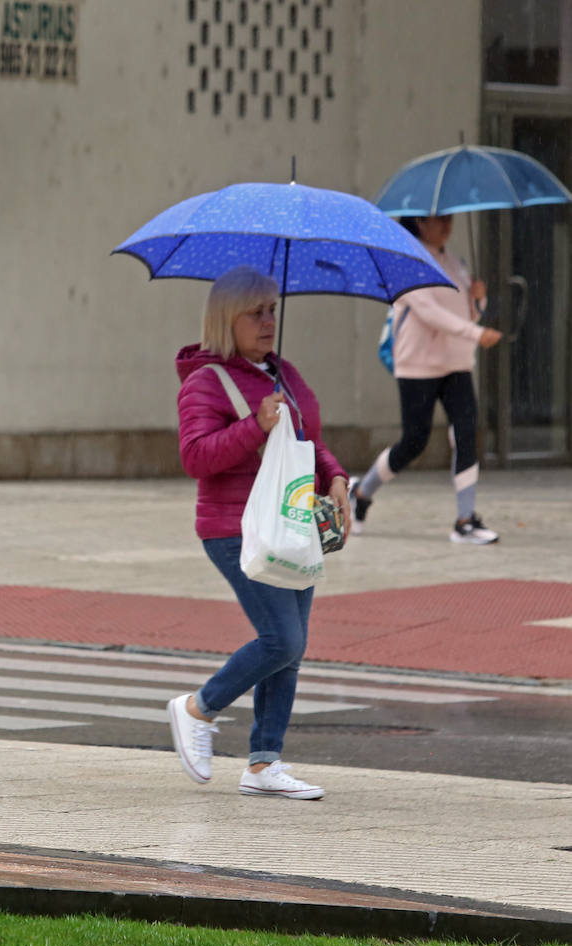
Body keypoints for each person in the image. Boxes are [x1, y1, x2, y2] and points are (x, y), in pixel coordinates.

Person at [166, 266, 349, 800]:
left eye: (273, 309)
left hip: (292, 522)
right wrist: (255, 426)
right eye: (256, 312)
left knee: (292, 648)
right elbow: (196, 456)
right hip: (235, 527)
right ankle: (197, 707)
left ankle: (264, 763)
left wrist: (334, 473)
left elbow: (307, 441)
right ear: (228, 318)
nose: (270, 321)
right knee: (281, 638)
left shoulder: (282, 373)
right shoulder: (207, 380)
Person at [349, 214, 502, 544]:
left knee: (465, 432)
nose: (447, 224)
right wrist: (475, 332)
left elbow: (465, 312)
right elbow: (430, 312)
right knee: (414, 441)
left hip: (457, 364)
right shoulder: (407, 260)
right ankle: (361, 492)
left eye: (449, 217)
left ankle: (466, 519)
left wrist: (478, 299)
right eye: (438, 218)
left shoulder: (456, 262)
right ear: (418, 221)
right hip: (418, 365)